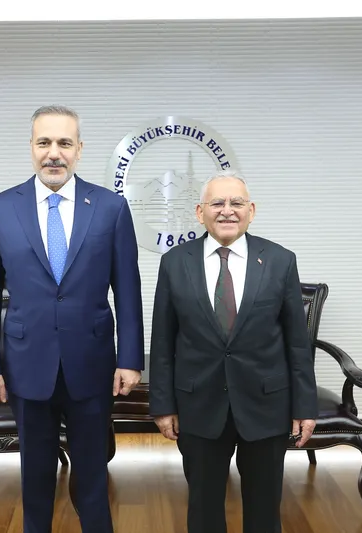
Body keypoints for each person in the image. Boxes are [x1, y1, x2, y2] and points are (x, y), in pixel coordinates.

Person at [0, 105, 144, 533]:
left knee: (93, 474)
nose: (54, 153)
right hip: (26, 364)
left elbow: (127, 290)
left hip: (92, 363)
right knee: (35, 474)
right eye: (44, 142)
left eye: (64, 143)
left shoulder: (111, 208)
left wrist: (130, 359)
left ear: (79, 149)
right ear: (31, 147)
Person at [149, 169, 318, 533]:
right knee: (203, 509)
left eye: (236, 203)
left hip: (266, 405)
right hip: (199, 406)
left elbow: (296, 342)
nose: (227, 210)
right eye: (217, 203)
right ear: (200, 212)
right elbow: (162, 340)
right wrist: (163, 405)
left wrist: (304, 406)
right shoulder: (175, 262)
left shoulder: (280, 260)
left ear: (251, 211)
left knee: (264, 510)